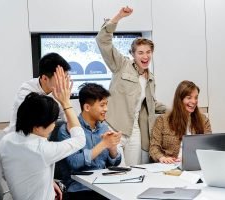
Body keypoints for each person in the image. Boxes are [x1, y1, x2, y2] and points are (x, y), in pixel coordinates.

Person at [0, 67, 85, 200]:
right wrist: (66, 103)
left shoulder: (6, 141)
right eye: (53, 122)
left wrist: (47, 181)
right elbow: (79, 139)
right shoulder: (43, 150)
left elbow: (12, 173)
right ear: (38, 127)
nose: (54, 125)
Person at [96, 6, 166, 165]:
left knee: (135, 170)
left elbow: (151, 104)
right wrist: (118, 17)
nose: (145, 56)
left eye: (148, 52)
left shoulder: (150, 78)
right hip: (114, 125)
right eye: (140, 52)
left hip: (134, 129)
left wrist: (176, 109)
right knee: (117, 170)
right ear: (133, 55)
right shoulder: (121, 65)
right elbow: (102, 40)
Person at [57, 83, 121, 200]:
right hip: (79, 189)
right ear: (87, 107)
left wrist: (112, 148)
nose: (106, 109)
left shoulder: (103, 127)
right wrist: (103, 144)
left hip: (103, 185)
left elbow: (114, 163)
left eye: (106, 104)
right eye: (102, 105)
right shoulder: (67, 129)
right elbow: (74, 162)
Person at [4, 52, 71, 134]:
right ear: (45, 78)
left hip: (42, 138)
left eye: (66, 77)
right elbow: (36, 123)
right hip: (20, 139)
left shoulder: (58, 91)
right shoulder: (26, 91)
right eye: (60, 79)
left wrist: (66, 102)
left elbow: (68, 119)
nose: (64, 82)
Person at [149, 80, 212, 163]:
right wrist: (162, 158)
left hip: (194, 164)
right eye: (189, 98)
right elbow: (154, 147)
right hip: (170, 167)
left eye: (196, 97)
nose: (194, 101)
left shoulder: (204, 120)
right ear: (179, 100)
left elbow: (208, 145)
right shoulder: (162, 120)